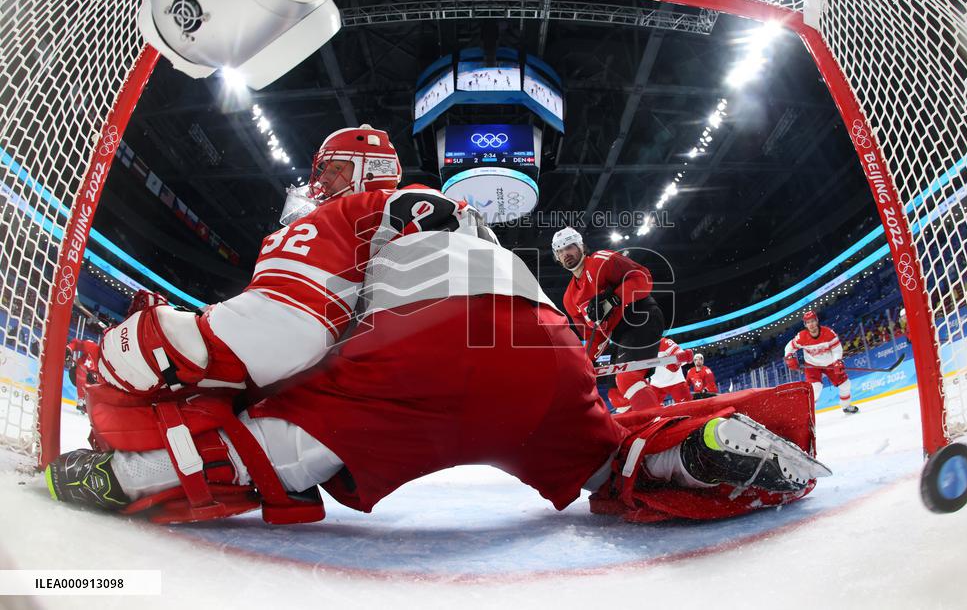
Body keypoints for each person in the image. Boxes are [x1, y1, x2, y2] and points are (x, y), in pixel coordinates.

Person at [45, 125, 829, 526]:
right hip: (540, 353)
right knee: (609, 463)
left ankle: (111, 479)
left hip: (412, 363)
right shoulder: (470, 225)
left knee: (265, 445)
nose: (311, 186)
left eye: (322, 174)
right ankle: (688, 457)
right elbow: (546, 327)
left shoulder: (351, 209)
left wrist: (136, 356)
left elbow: (281, 334)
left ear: (352, 176)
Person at [553, 229, 663, 412]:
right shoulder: (569, 298)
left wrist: (615, 298)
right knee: (616, 396)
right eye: (560, 251)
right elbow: (593, 335)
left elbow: (643, 278)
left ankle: (661, 427)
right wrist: (586, 364)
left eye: (569, 247)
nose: (565, 254)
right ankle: (640, 434)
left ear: (581, 246)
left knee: (627, 378)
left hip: (640, 318)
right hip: (620, 335)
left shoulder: (601, 261)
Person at [784, 310, 859, 414]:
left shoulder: (828, 333)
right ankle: (807, 413)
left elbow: (837, 349)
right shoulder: (801, 337)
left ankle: (846, 406)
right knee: (815, 388)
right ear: (805, 324)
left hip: (830, 364)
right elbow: (789, 347)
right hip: (812, 366)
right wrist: (788, 357)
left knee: (845, 384)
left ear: (817, 321)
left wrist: (837, 361)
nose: (811, 324)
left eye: (813, 321)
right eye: (808, 322)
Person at [649, 337, 695, 404]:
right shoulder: (641, 349)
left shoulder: (664, 342)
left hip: (676, 382)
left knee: (688, 410)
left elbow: (685, 357)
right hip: (656, 385)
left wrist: (676, 361)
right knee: (649, 411)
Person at [65, 338, 101, 414]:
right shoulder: (92, 347)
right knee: (82, 366)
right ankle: (81, 399)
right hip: (76, 374)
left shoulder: (111, 369)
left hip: (93, 384)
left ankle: (86, 403)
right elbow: (76, 343)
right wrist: (68, 350)